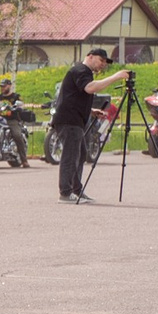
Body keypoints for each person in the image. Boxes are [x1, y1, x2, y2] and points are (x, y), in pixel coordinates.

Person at [53, 47, 134, 203]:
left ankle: (76, 190)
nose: (103, 64)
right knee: (71, 155)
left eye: (105, 62)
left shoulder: (84, 72)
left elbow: (73, 97)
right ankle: (65, 193)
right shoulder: (81, 70)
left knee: (81, 153)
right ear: (90, 56)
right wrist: (116, 77)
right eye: (101, 60)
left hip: (75, 119)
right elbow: (90, 88)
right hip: (69, 120)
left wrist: (90, 111)